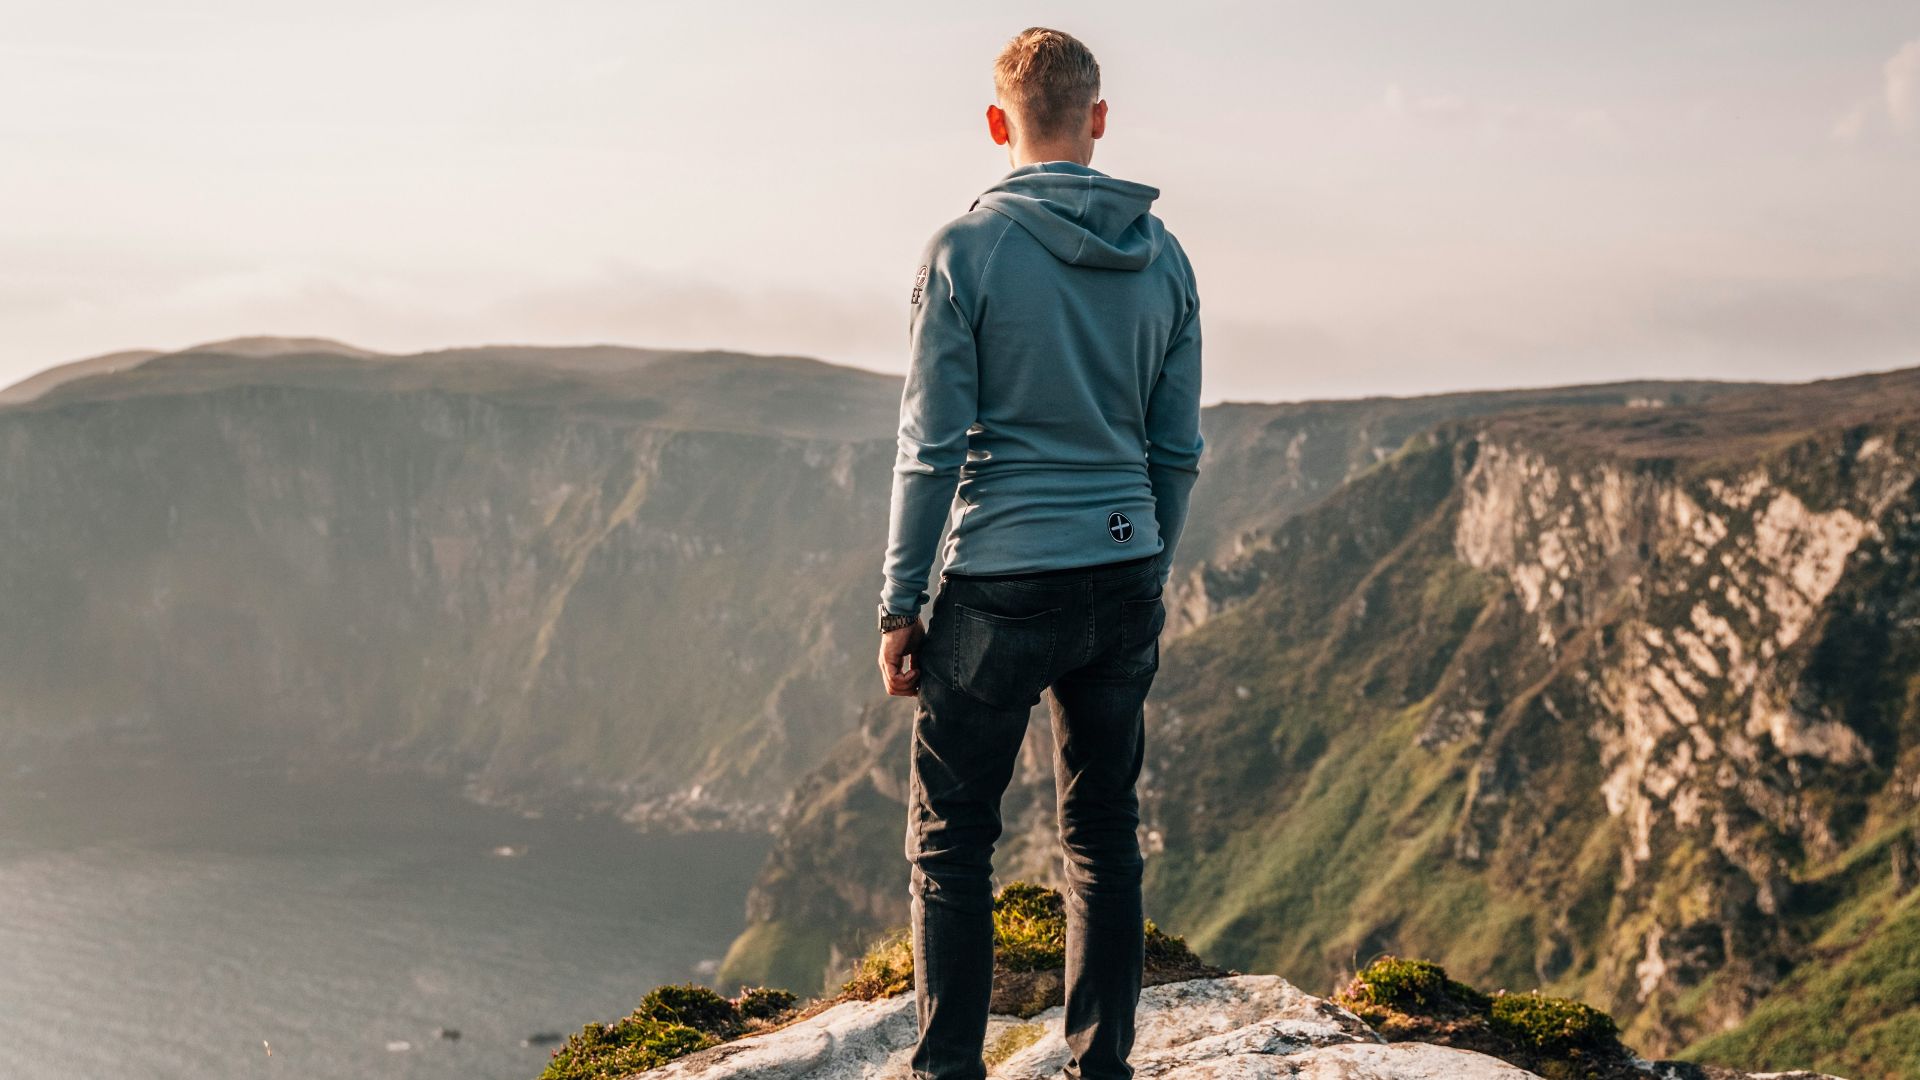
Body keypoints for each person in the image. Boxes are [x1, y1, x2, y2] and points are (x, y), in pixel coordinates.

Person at [872, 26, 1204, 1080]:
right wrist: (1143, 563)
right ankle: (1100, 1066)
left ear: (994, 122)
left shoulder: (964, 252)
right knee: (1102, 832)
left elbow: (928, 453)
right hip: (1121, 575)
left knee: (952, 838)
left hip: (1002, 582)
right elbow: (1178, 450)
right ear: (1098, 120)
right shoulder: (1168, 257)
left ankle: (947, 1070)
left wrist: (898, 605)